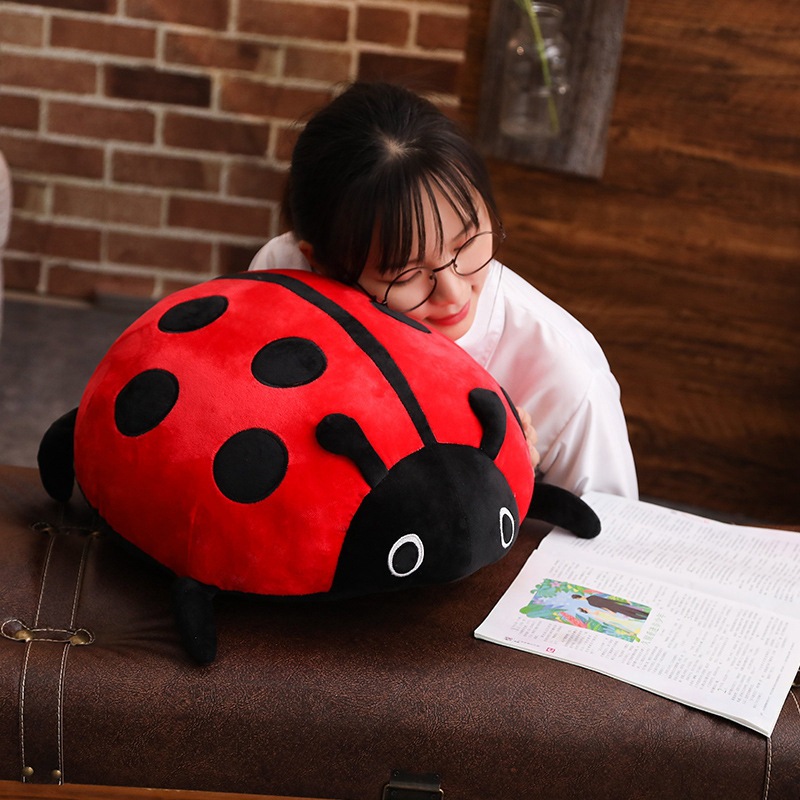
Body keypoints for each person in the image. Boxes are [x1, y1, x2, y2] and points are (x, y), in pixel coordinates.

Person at [249, 81, 638, 499]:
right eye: (405, 273)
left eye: (466, 243)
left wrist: (507, 488)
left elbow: (606, 531)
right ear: (321, 263)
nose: (453, 293)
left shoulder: (565, 379)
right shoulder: (284, 280)